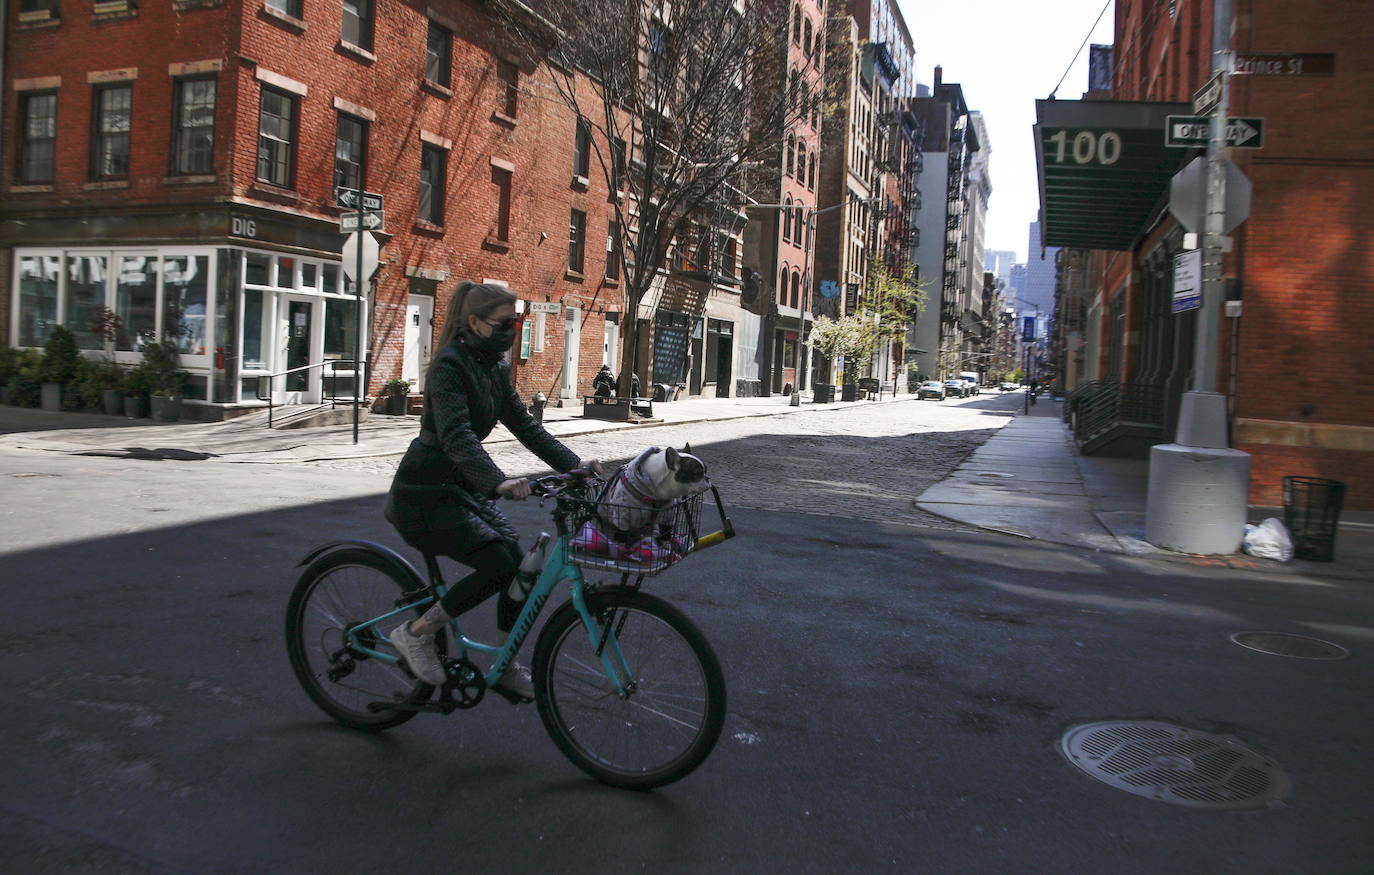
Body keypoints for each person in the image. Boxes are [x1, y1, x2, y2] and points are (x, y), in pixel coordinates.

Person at [385, 281, 602, 701]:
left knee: (519, 567)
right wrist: (498, 481)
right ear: (474, 323)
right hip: (424, 492)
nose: (512, 329)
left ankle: (505, 663)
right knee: (497, 566)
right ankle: (415, 633)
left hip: (463, 489)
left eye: (516, 320)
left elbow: (524, 424)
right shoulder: (449, 366)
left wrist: (574, 465)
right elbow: (457, 436)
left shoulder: (495, 367)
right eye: (504, 322)